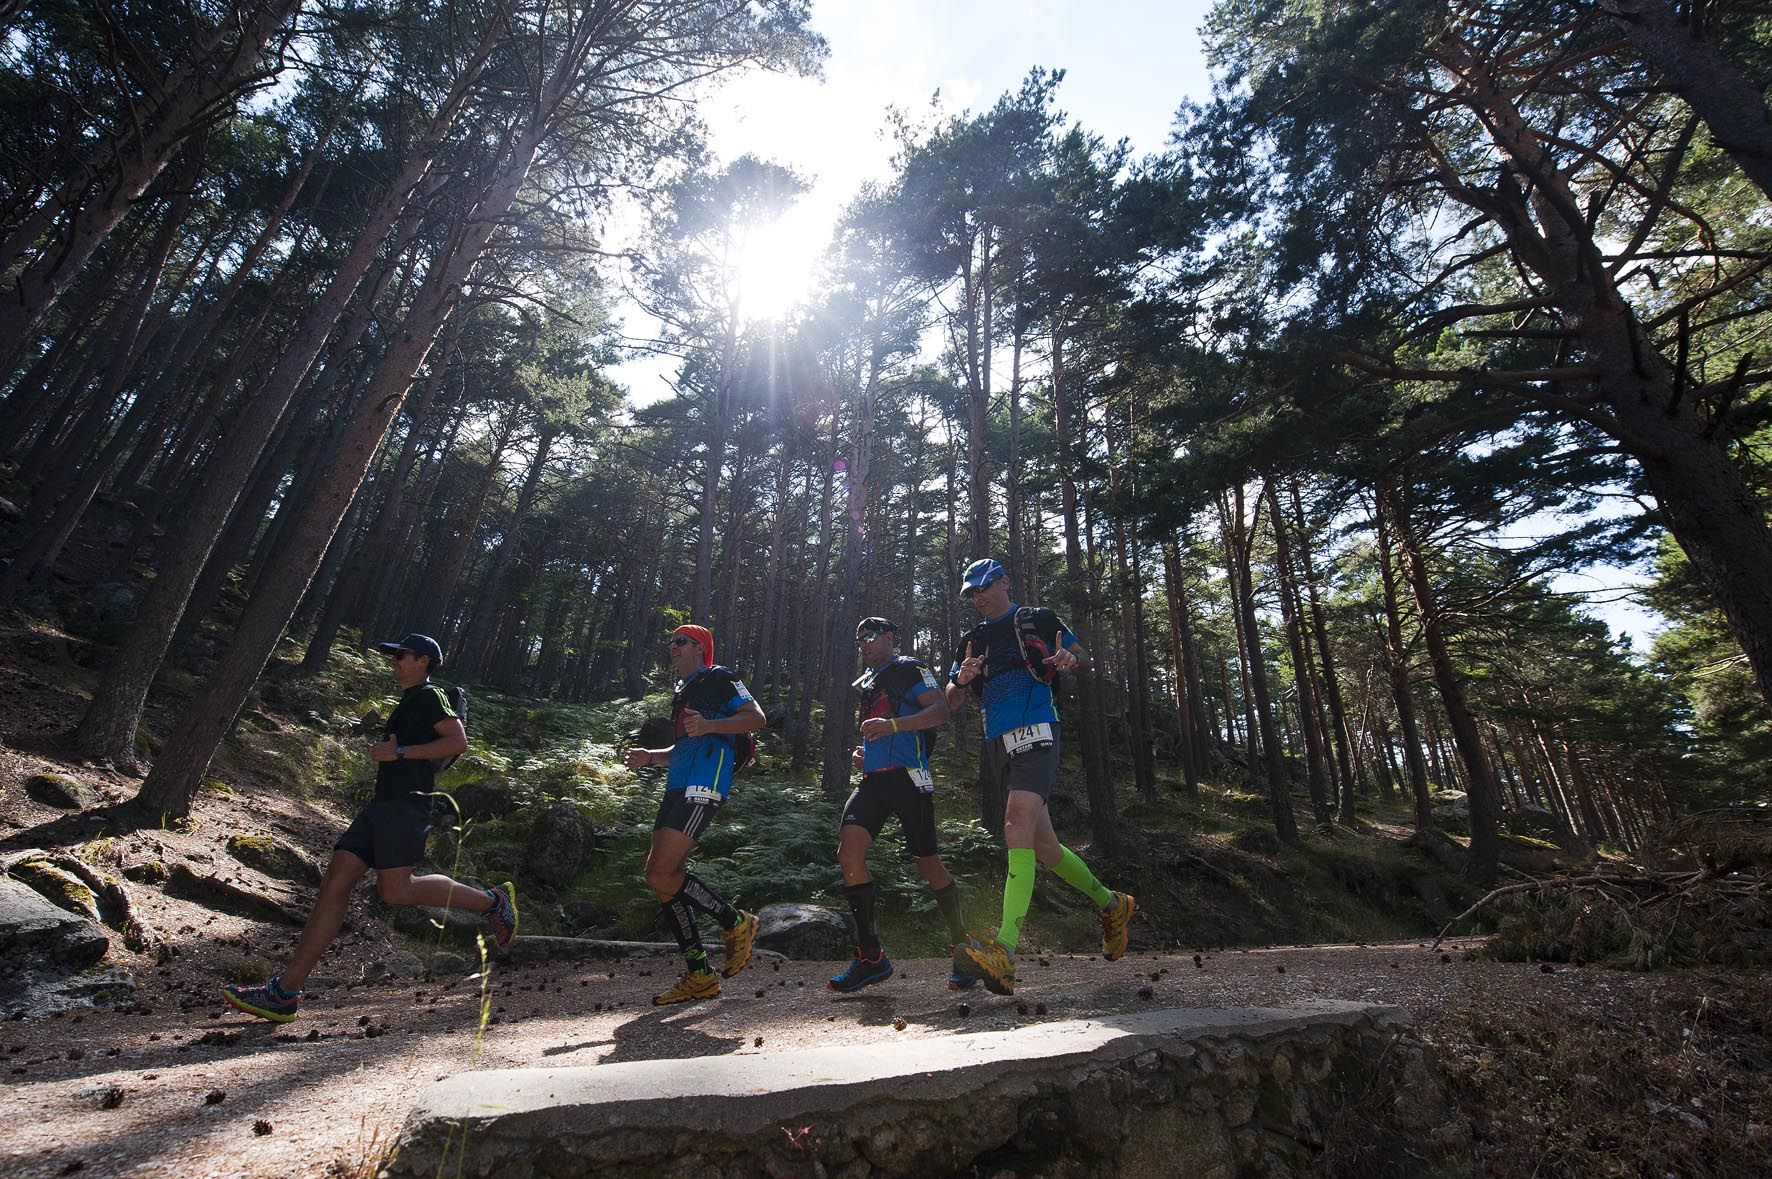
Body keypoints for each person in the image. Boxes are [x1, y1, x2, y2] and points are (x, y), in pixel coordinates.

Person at [221, 633, 517, 1022]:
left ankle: (493, 902)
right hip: (380, 807)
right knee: (334, 884)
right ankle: (285, 993)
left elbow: (457, 742)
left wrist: (398, 752)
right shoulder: (409, 700)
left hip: (407, 805)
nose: (394, 662)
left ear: (424, 660)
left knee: (396, 891)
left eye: (402, 656)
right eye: (393, 657)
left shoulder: (430, 696)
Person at [945, 559, 1135, 995]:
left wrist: (1070, 657)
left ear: (1005, 581)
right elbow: (952, 700)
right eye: (971, 592)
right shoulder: (971, 641)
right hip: (998, 743)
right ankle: (1113, 904)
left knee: (1015, 824)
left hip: (1037, 729)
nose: (979, 596)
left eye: (985, 586)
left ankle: (1005, 952)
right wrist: (961, 679)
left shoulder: (1037, 618)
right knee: (1045, 848)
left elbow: (1081, 657)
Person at [624, 624, 765, 1005]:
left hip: (705, 780)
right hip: (677, 782)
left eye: (680, 641)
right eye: (670, 640)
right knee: (659, 877)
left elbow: (756, 718)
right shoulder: (683, 692)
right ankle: (700, 973)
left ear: (700, 648)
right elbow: (685, 741)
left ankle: (736, 922)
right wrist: (651, 757)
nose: (672, 646)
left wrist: (710, 724)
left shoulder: (719, 677)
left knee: (661, 872)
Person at [829, 616, 971, 993]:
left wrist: (892, 727)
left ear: (890, 636)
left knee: (928, 864)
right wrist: (867, 752)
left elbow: (939, 711)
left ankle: (963, 950)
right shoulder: (869, 681)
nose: (864, 644)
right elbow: (882, 727)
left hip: (910, 778)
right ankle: (871, 956)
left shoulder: (909, 668)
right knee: (848, 854)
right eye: (859, 639)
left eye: (871, 636)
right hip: (875, 780)